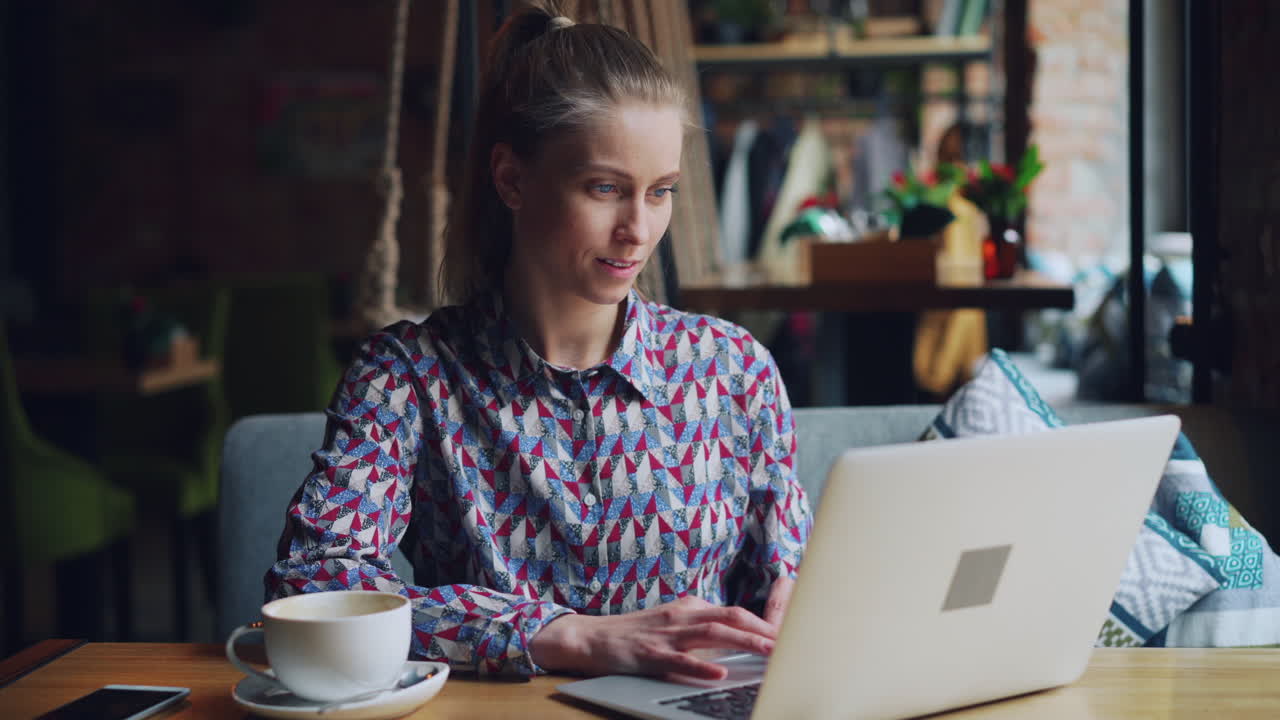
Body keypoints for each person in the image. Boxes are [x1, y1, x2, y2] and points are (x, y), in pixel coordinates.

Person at [266, 1, 811, 680]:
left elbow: (787, 569)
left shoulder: (734, 369)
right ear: (512, 178)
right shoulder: (407, 377)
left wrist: (802, 598)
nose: (638, 230)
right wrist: (568, 636)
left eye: (661, 191)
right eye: (605, 188)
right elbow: (315, 585)